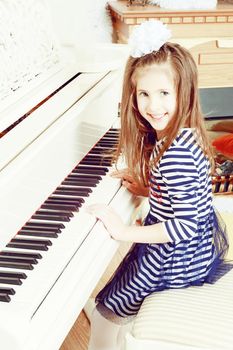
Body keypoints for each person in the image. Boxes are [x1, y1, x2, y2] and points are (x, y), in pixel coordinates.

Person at [86, 20, 228, 350]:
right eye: (144, 94)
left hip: (172, 257)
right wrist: (148, 189)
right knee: (115, 300)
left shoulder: (174, 151)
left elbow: (183, 224)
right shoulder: (181, 136)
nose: (153, 106)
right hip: (187, 251)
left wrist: (123, 231)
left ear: (184, 93)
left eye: (165, 93)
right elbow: (184, 194)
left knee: (107, 310)